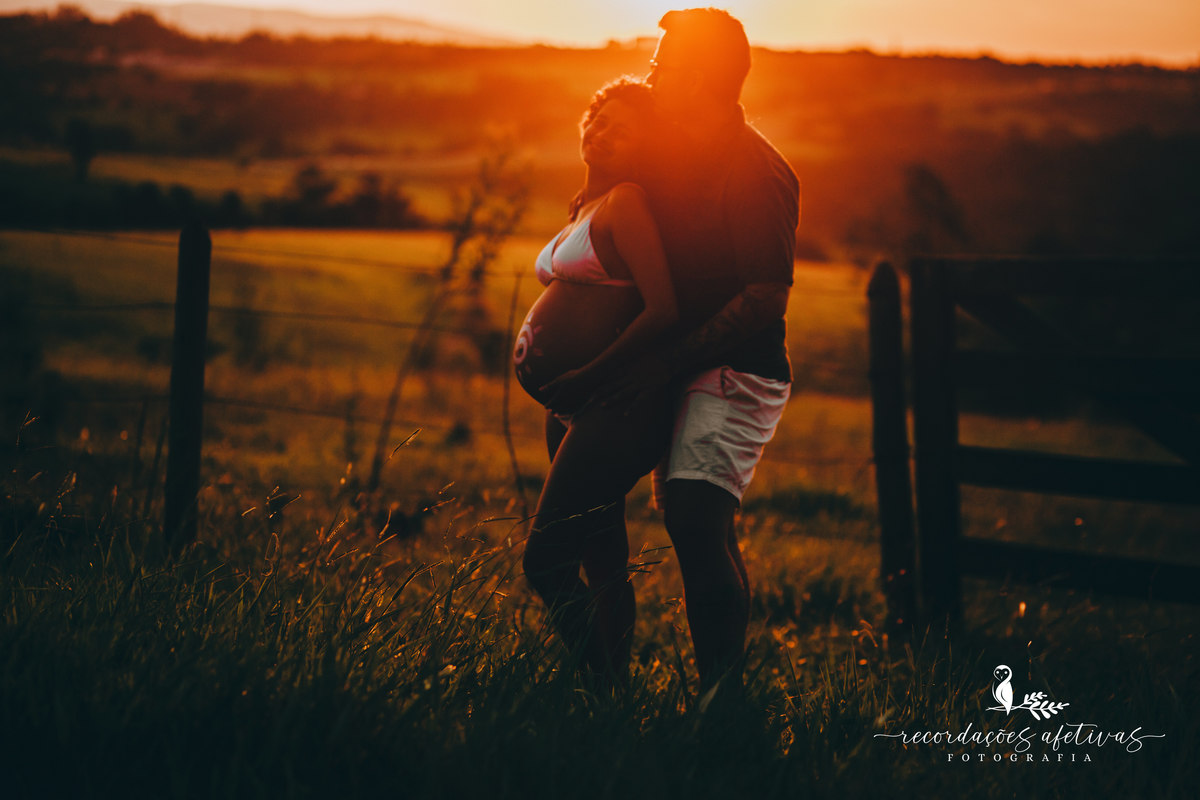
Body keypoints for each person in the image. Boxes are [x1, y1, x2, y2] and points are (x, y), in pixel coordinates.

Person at [602, 8, 801, 698]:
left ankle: (720, 702)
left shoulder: (756, 173)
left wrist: (667, 359)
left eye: (665, 64)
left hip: (738, 368)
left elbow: (765, 299)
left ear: (702, 78)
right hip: (669, 361)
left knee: (692, 515)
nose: (652, 75)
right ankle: (638, 679)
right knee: (698, 523)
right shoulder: (665, 153)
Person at [516, 79, 678, 681]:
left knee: (545, 561)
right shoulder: (583, 205)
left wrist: (587, 373)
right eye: (600, 120)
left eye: (622, 130)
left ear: (645, 150)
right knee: (602, 554)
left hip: (609, 402)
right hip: (573, 404)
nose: (603, 133)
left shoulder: (628, 202)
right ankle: (612, 694)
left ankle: (592, 685)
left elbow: (663, 309)